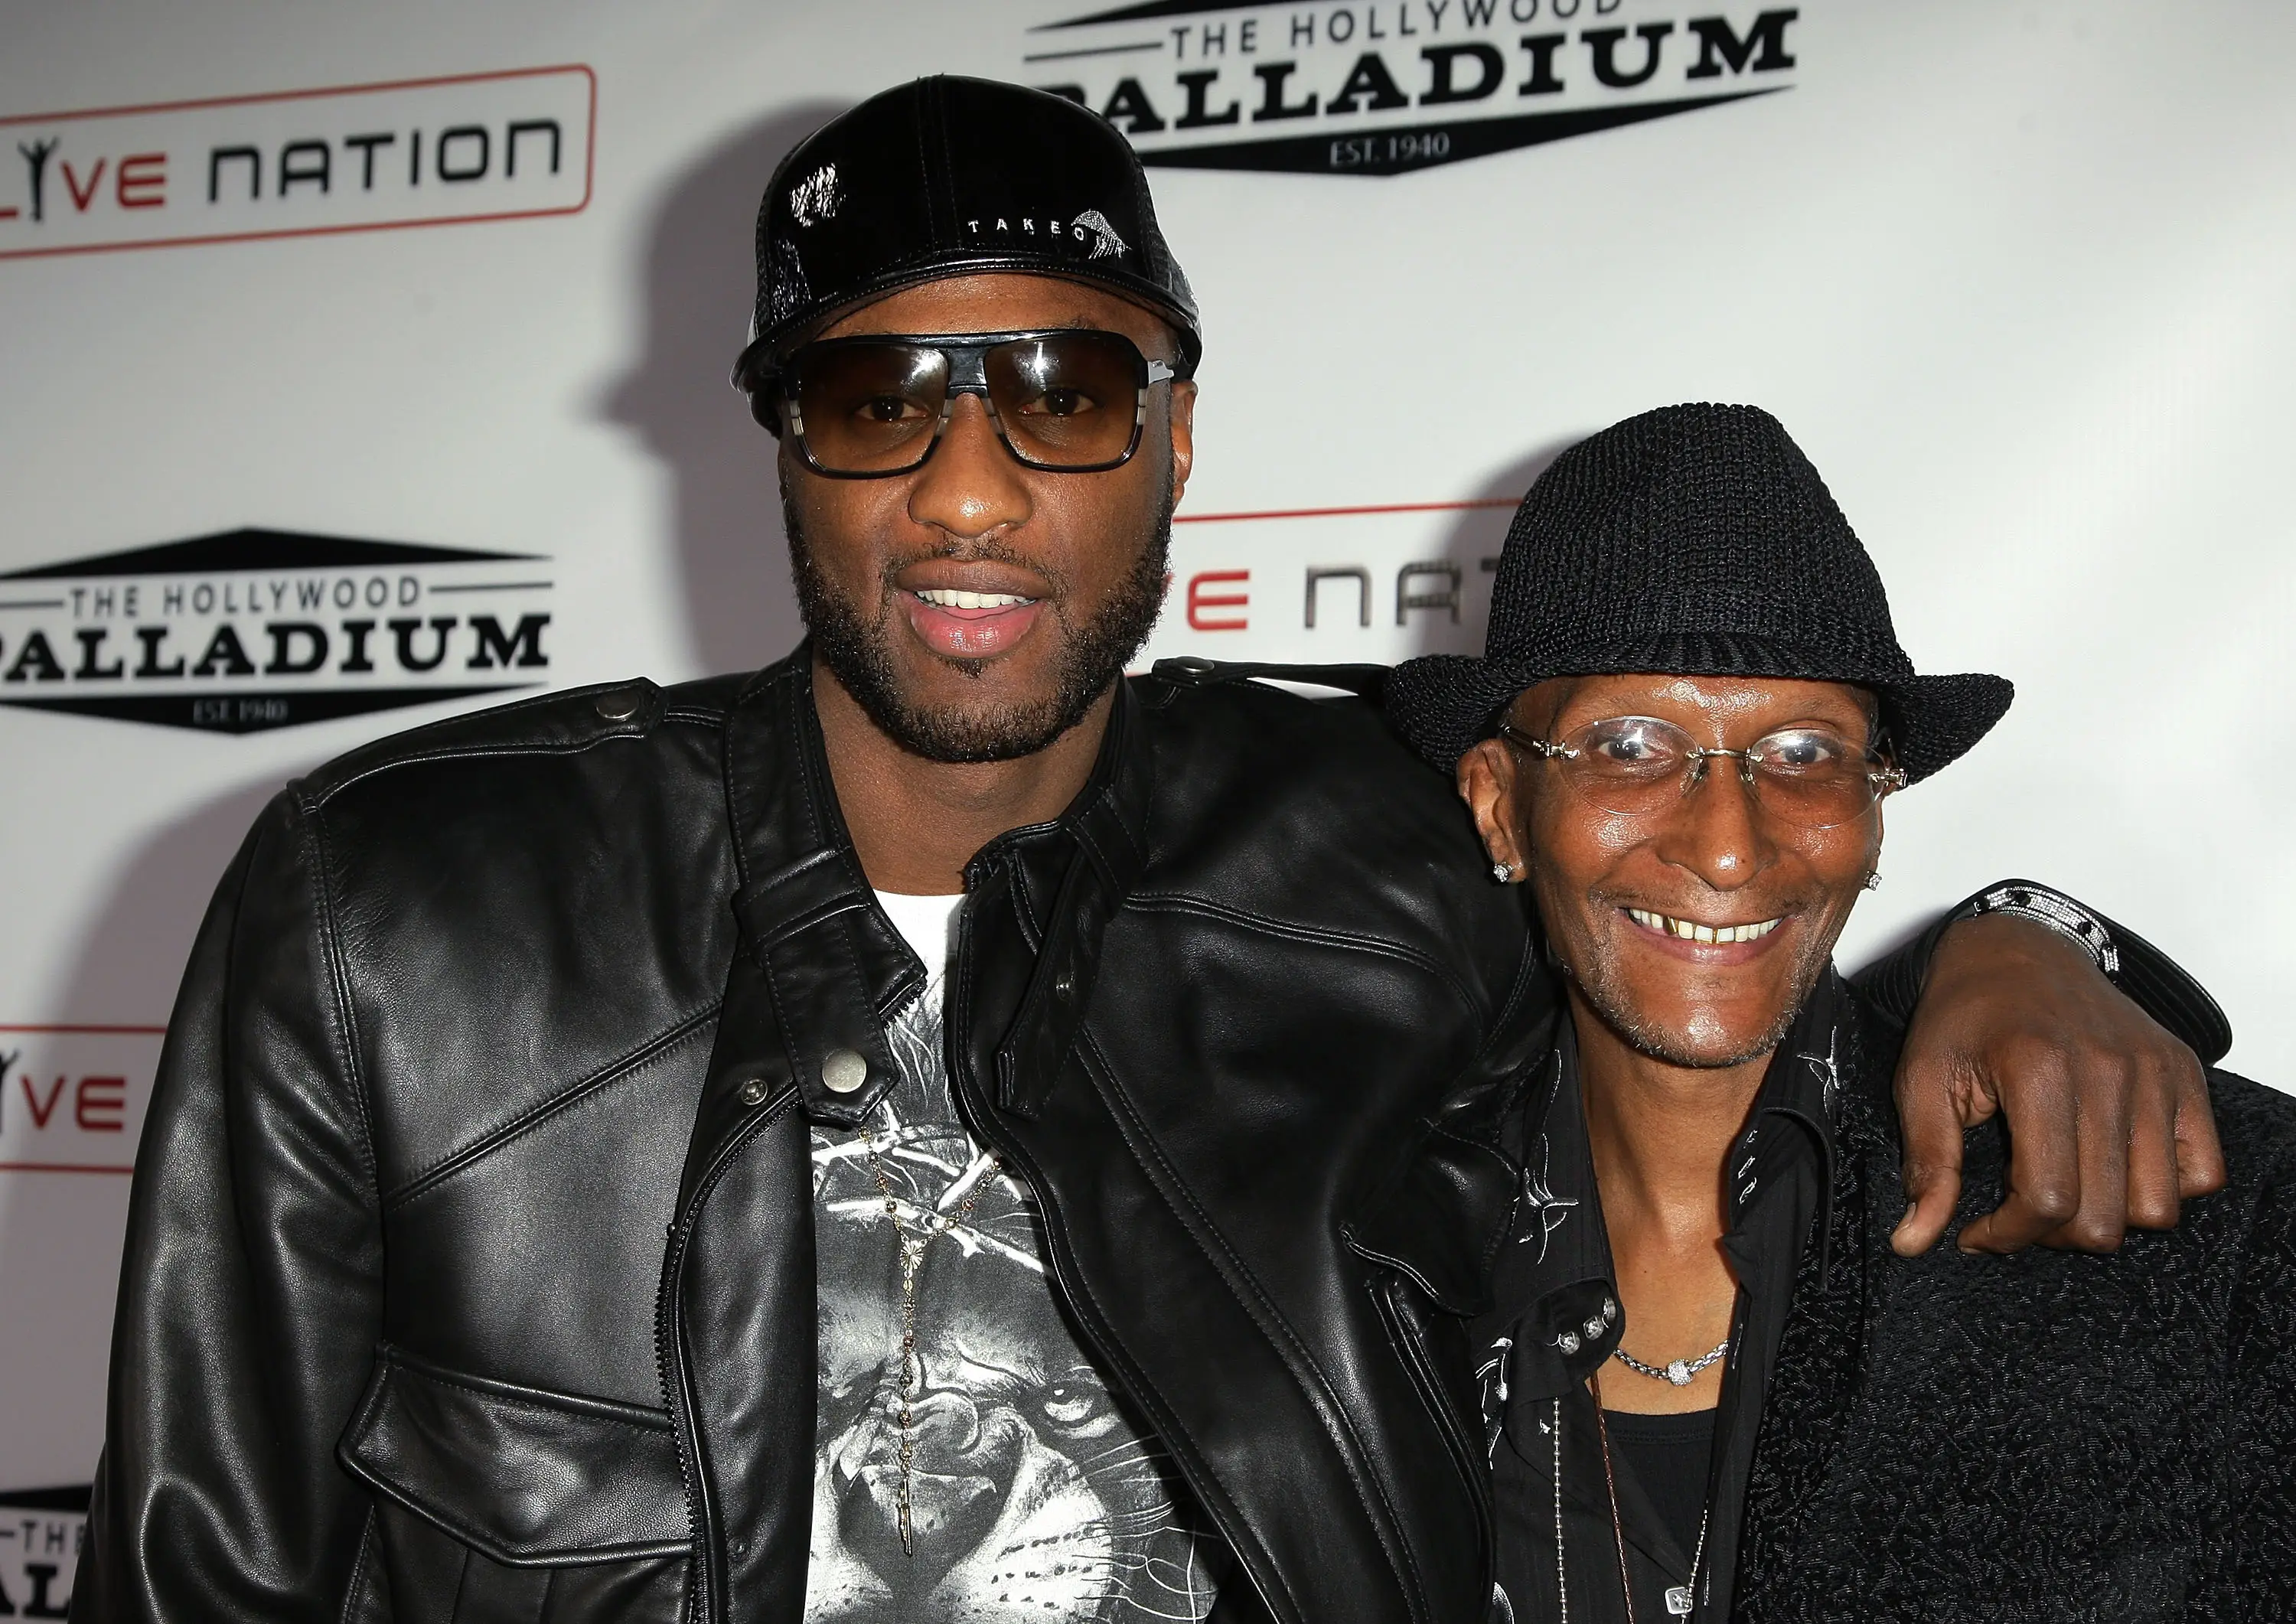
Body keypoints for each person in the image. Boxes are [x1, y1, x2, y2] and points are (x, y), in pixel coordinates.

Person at [76, 82, 2228, 1624]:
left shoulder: (1380, 854)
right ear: (786, 444)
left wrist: (2026, 943)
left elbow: (1706, 898)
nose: (969, 490)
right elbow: (197, 1577)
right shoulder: (397, 912)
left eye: (1066, 389)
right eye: (878, 395)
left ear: (1180, 430)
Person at [1388, 401, 2287, 1623]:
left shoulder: (2198, 1233)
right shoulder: (1364, 1263)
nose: (1725, 844)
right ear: (1500, 806)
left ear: (1875, 808)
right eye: (1631, 744)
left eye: (1804, 753)